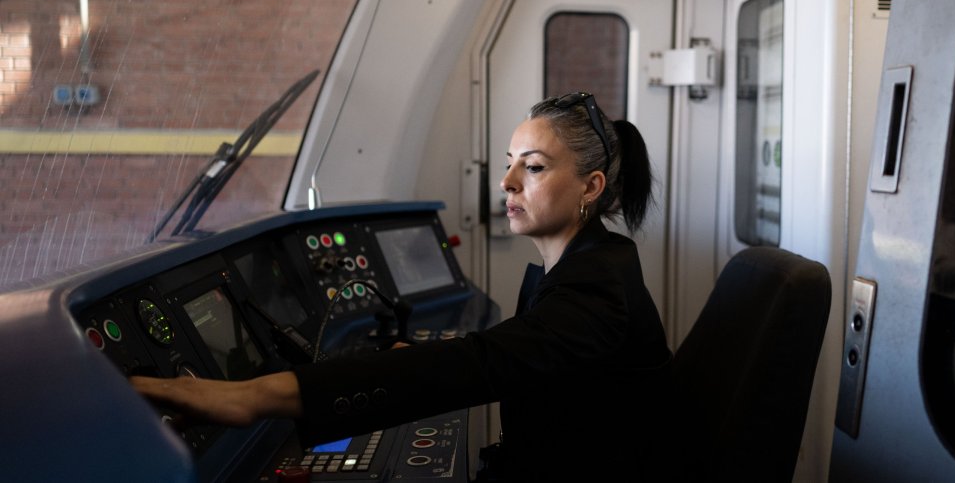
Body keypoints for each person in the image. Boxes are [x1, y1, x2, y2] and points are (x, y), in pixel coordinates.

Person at [132, 92, 670, 482]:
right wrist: (414, 356)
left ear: (590, 186)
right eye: (510, 165)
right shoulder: (592, 264)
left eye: (533, 168)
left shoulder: (598, 290)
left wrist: (253, 397)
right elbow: (517, 357)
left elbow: (481, 364)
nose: (507, 182)